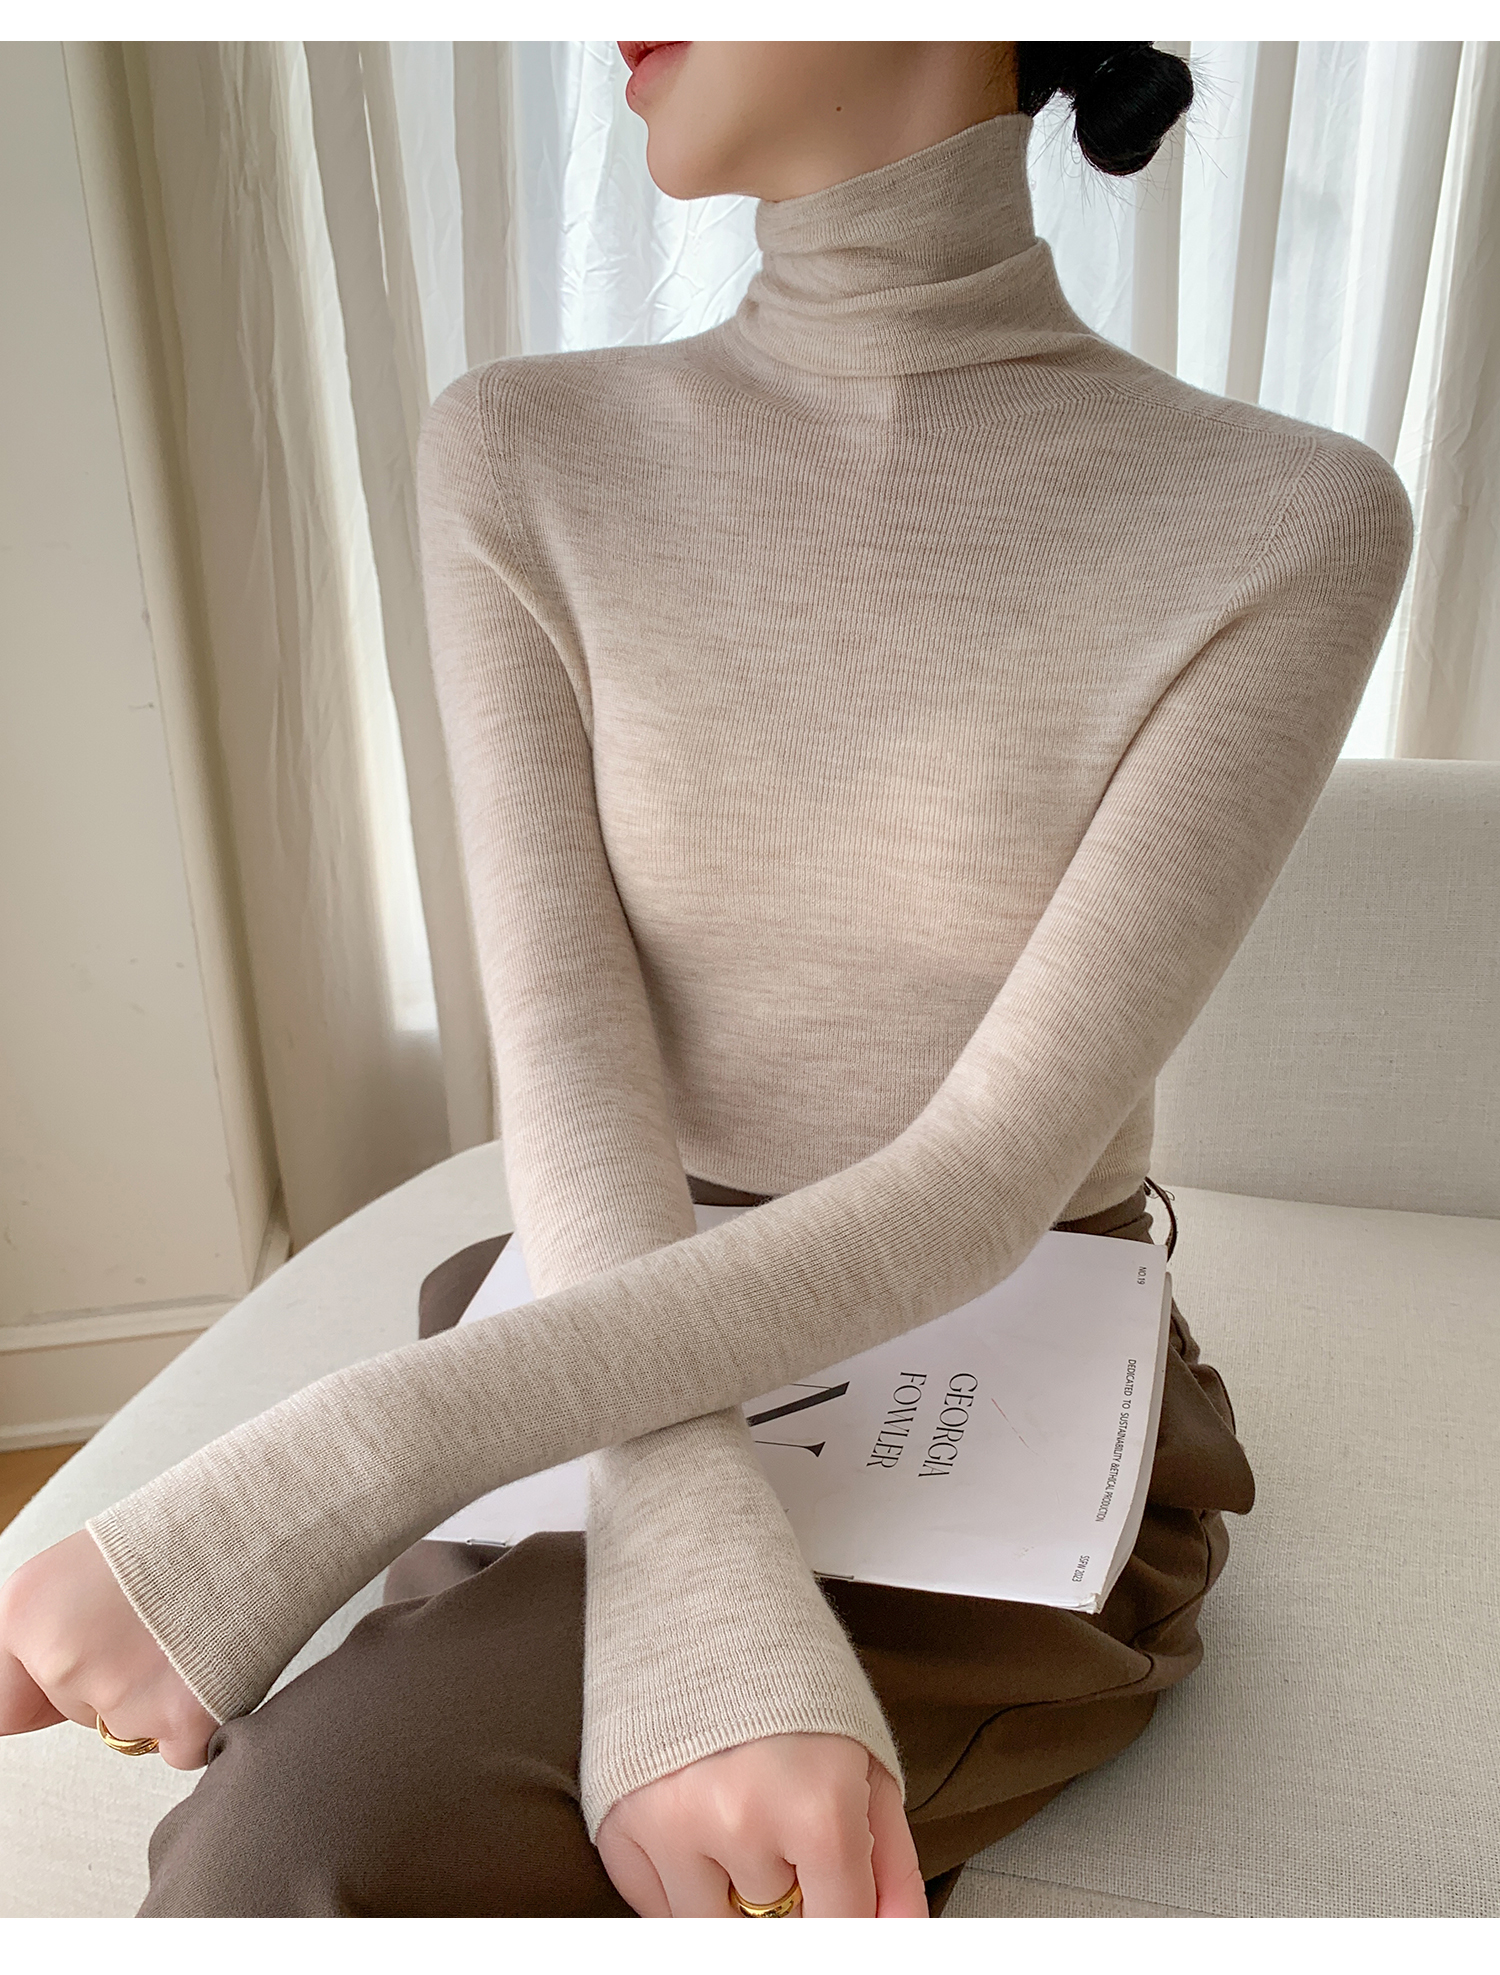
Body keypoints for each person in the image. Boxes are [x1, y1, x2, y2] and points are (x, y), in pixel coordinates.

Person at [0, 41, 1411, 1919]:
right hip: (604, 1284)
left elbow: (980, 1185)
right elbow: (571, 1058)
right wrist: (697, 1556)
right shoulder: (522, 445)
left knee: (305, 1860)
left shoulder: (1286, 515)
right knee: (313, 1844)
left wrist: (329, 1460)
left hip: (999, 1350)